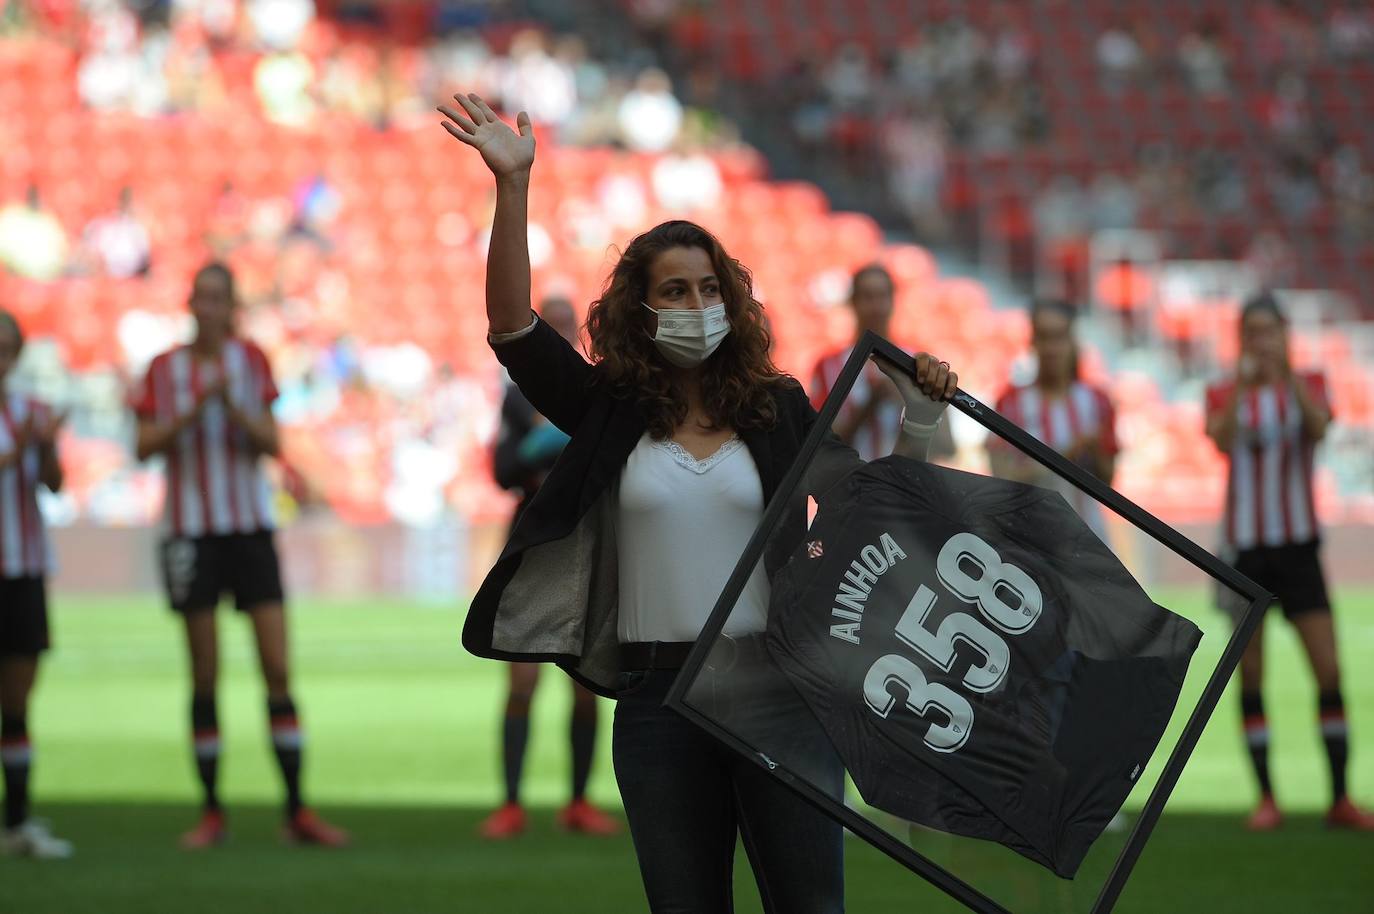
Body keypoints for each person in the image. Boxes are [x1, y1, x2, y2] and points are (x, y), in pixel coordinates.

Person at [441, 91, 957, 914]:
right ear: (640, 308)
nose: (693, 306)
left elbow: (878, 513)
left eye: (707, 288)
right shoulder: (610, 408)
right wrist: (513, 187)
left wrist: (923, 414)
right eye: (673, 291)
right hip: (658, 705)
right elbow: (512, 329)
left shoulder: (777, 405)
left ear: (733, 300)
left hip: (781, 698)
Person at [130, 263, 348, 849]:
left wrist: (230, 407)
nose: (207, 308)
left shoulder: (250, 361)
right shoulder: (163, 369)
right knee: (204, 673)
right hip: (191, 533)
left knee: (276, 668)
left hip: (249, 530)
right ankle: (211, 812)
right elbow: (144, 445)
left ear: (232, 308)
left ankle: (298, 810)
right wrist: (195, 411)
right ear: (190, 304)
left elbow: (273, 443)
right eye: (200, 297)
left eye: (218, 299)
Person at [1204, 292, 1373, 832]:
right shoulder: (1224, 388)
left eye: (1268, 330)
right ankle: (1267, 799)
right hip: (1245, 551)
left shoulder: (1310, 383)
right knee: (1251, 674)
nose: (1260, 340)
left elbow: (1320, 428)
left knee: (1328, 668)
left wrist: (1286, 373)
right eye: (1250, 331)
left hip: (1299, 547)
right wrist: (1245, 381)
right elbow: (1222, 439)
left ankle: (1340, 798)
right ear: (1239, 338)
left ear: (1284, 334)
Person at [480, 295, 619, 839]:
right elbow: (502, 469)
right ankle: (511, 803)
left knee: (585, 685)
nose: (558, 336)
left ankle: (578, 801)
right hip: (532, 539)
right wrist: (547, 437)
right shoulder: (518, 399)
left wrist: (547, 440)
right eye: (551, 326)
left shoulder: (600, 396)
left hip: (586, 537)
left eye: (565, 326)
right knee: (521, 680)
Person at [0, 310, 73, 859]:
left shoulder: (30, 410)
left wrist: (46, 445)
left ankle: (18, 821)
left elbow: (53, 484)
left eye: (6, 348)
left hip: (23, 568)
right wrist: (21, 447)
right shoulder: (20, 422)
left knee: (18, 704)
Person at [990, 299, 1119, 542]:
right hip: (1029, 542)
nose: (1051, 348)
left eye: (1059, 336)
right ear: (1032, 342)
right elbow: (1000, 478)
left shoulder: (1098, 401)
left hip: (1089, 539)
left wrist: (1095, 452)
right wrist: (1064, 456)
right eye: (1043, 337)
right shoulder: (1009, 403)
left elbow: (1108, 480)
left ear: (1073, 341)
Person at [809, 263, 956, 462]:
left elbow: (947, 446)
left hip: (905, 485)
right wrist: (872, 402)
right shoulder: (828, 366)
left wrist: (910, 403)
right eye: (867, 297)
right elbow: (820, 445)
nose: (876, 307)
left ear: (893, 301)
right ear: (853, 302)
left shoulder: (916, 362)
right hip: (849, 485)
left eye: (882, 296)